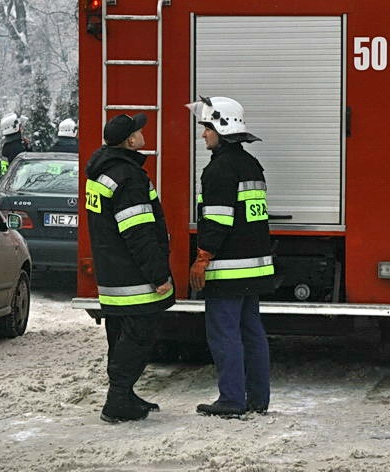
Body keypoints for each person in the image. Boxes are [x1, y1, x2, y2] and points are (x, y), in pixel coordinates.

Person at [186, 96, 275, 419]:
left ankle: (232, 400)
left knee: (224, 335)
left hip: (228, 270)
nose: (203, 135)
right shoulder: (251, 164)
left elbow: (218, 220)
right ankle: (257, 399)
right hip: (254, 267)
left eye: (207, 128)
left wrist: (202, 257)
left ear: (223, 127)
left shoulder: (219, 169)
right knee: (252, 332)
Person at [85, 113, 175, 423]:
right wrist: (158, 274)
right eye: (138, 131)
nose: (142, 134)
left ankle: (126, 393)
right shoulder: (129, 176)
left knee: (120, 335)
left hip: (113, 276)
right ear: (130, 141)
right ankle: (117, 400)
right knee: (138, 337)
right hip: (134, 278)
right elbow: (138, 232)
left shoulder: (102, 172)